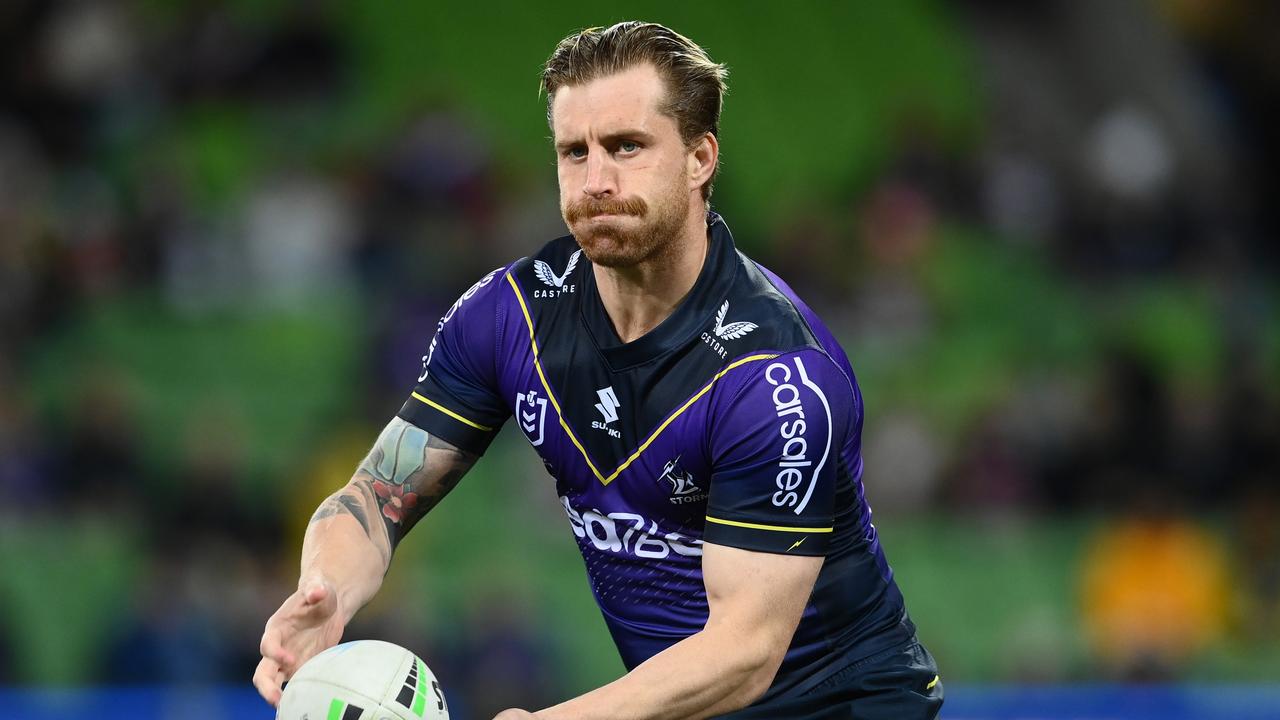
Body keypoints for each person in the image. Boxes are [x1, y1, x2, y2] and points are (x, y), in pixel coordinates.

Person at [254, 21, 943, 720]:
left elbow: (744, 653)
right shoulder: (509, 317)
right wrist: (326, 590)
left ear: (700, 158)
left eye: (626, 147)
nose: (596, 181)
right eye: (573, 152)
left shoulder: (774, 378)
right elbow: (375, 495)